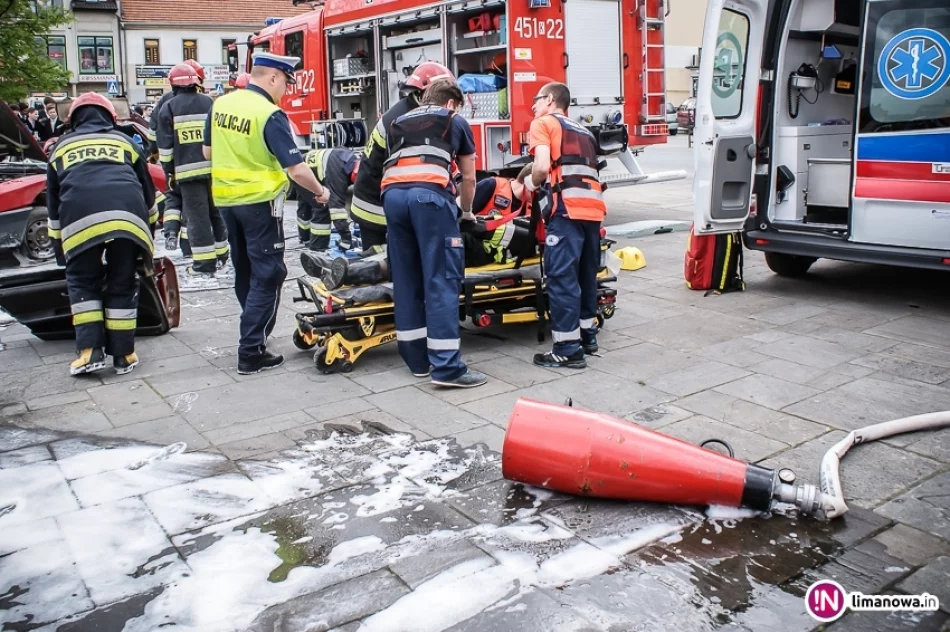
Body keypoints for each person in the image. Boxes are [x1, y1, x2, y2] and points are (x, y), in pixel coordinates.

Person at [204, 51, 329, 375]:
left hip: (226, 202)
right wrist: (320, 191)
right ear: (273, 77)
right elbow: (297, 169)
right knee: (269, 273)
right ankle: (251, 350)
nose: (286, 90)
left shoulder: (221, 105)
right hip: (259, 204)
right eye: (286, 83)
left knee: (244, 268)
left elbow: (207, 150)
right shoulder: (268, 113)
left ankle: (254, 329)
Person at [380, 79, 486, 388]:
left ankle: (417, 361)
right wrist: (466, 212)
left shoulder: (397, 121)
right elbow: (468, 177)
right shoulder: (454, 120)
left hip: (393, 199)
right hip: (428, 197)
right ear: (451, 103)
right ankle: (447, 368)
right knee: (441, 280)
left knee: (406, 279)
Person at [46, 93, 158, 376]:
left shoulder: (61, 147)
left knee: (83, 282)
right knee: (122, 282)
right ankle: (123, 354)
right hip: (128, 220)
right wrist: (148, 238)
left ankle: (89, 351)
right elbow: (147, 192)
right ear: (110, 117)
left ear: (73, 119)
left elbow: (53, 202)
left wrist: (60, 248)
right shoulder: (124, 143)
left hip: (79, 220)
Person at [307, 165, 536, 289]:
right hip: (457, 238)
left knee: (412, 257)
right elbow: (458, 212)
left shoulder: (526, 207)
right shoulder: (492, 185)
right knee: (403, 249)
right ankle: (337, 265)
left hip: (472, 249)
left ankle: (349, 272)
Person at [527, 82, 607, 369]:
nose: (532, 107)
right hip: (593, 209)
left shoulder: (543, 123)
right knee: (587, 277)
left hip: (566, 211)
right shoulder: (584, 131)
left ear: (550, 100)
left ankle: (567, 348)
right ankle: (588, 336)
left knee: (562, 278)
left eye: (536, 100)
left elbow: (540, 167)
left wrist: (529, 184)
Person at [350, 61, 455, 255]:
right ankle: (347, 272)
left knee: (389, 259)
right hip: (376, 206)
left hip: (375, 196)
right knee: (386, 261)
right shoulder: (410, 120)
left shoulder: (405, 111)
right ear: (426, 92)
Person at [158, 63, 229, 276]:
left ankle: (203, 265)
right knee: (216, 213)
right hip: (214, 169)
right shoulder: (210, 102)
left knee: (197, 218)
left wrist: (169, 172)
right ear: (196, 82)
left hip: (187, 173)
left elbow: (165, 148)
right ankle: (222, 255)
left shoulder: (168, 108)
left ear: (173, 84)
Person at [293, 147, 357, 252]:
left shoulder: (348, 158)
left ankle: (305, 238)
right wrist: (346, 239)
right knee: (322, 205)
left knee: (305, 205)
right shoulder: (338, 173)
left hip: (300, 169)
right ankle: (318, 247)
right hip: (301, 173)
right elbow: (336, 209)